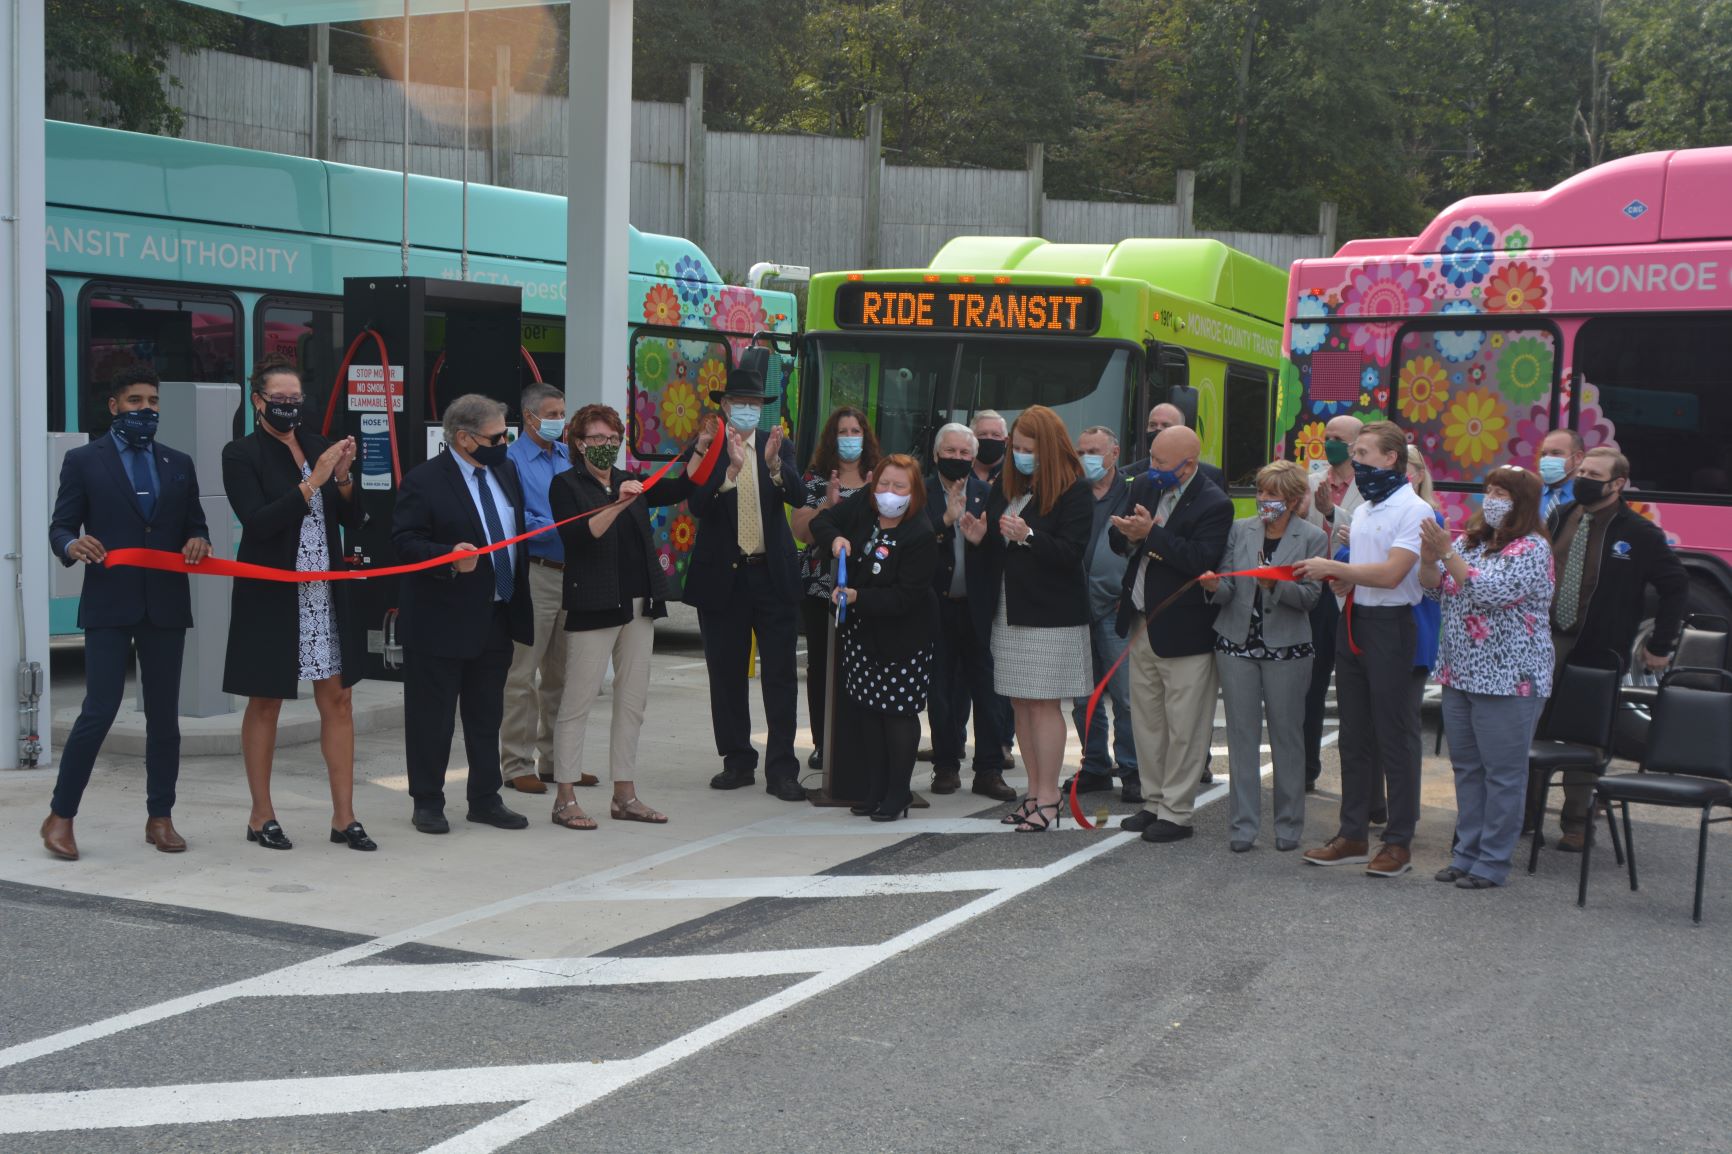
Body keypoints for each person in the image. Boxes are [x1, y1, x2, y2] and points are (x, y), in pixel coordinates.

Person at [42, 363, 212, 860]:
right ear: (114, 406)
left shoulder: (178, 461)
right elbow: (60, 526)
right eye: (135, 401)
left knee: (164, 718)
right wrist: (71, 545)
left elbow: (195, 524)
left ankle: (160, 818)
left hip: (165, 603)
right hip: (109, 602)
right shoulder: (83, 460)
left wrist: (198, 540)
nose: (146, 410)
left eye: (153, 402)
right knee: (99, 709)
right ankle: (60, 816)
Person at [220, 356, 373, 852]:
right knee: (266, 700)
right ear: (258, 400)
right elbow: (259, 521)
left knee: (339, 698)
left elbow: (352, 514)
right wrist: (313, 480)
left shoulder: (317, 443)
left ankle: (344, 816)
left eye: (296, 400)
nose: (289, 408)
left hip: (324, 589)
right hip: (273, 591)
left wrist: (344, 476)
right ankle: (261, 813)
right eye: (280, 400)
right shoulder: (240, 453)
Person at [392, 394, 534, 835]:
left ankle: (485, 798)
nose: (504, 442)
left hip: (496, 613)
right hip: (441, 618)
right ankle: (428, 800)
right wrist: (446, 557)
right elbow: (403, 541)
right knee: (432, 716)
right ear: (464, 438)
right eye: (496, 436)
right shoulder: (425, 480)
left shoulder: (505, 470)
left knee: (486, 713)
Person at [1295, 420, 1432, 877]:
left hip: (1392, 625)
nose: (1356, 460)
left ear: (1392, 458)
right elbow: (1362, 567)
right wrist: (1340, 573)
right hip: (1355, 619)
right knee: (1354, 734)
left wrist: (1335, 567)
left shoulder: (1413, 510)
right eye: (1355, 453)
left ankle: (1398, 842)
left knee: (1396, 737)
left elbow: (1393, 574)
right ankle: (1352, 834)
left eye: (1365, 453)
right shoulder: (1372, 507)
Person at [1541, 446, 1689, 850]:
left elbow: (1675, 587)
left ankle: (1576, 823)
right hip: (1548, 640)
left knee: (1585, 738)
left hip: (1599, 648)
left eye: (1593, 473)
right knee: (1533, 725)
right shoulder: (1560, 516)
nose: (1582, 478)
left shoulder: (1638, 532)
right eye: (1581, 469)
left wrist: (1661, 644)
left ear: (1618, 483)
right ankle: (1524, 814)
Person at [546, 404, 686, 829]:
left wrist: (702, 449)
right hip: (594, 604)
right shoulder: (565, 484)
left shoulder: (630, 480)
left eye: (612, 439)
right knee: (578, 702)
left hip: (639, 604)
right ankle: (565, 797)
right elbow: (581, 536)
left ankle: (625, 795)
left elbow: (682, 488)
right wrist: (619, 504)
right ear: (577, 442)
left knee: (632, 703)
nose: (605, 446)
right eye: (595, 439)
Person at [1420, 466, 1555, 888]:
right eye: (1490, 490)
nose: (1491, 498)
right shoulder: (1471, 542)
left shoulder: (1532, 548)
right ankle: (1466, 853)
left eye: (1502, 492)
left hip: (1510, 678)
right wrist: (1429, 558)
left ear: (1523, 503)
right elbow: (1434, 589)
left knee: (1502, 773)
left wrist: (1446, 554)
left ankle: (1493, 861)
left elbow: (1489, 592)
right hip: (1460, 671)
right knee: (1467, 768)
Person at [960, 404, 1092, 831]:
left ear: (1049, 448)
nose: (1018, 454)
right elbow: (1001, 546)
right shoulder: (1010, 485)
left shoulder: (1073, 490)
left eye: (1026, 448)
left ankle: (1050, 797)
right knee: (1019, 701)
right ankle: (1033, 791)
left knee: (1042, 703)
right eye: (1015, 447)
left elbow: (1071, 553)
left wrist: (1030, 535)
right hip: (1009, 608)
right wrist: (982, 539)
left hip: (1050, 614)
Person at [684, 367, 809, 801]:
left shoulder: (780, 444)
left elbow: (797, 495)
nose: (748, 410)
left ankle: (782, 769)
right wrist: (728, 473)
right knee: (726, 674)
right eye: (740, 403)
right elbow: (696, 503)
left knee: (779, 677)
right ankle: (737, 760)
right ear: (724, 406)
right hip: (724, 577)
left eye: (755, 404)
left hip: (772, 577)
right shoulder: (708, 445)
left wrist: (774, 465)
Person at [1109, 425, 1233, 843]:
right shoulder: (1144, 484)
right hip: (1141, 619)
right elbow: (1119, 541)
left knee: (1185, 725)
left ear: (1189, 465)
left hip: (1185, 629)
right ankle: (1153, 800)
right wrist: (1126, 535)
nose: (1153, 467)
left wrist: (1151, 536)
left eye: (1162, 463)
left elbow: (1200, 559)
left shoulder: (1215, 503)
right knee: (1147, 721)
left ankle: (1177, 812)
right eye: (1152, 458)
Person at [1199, 461, 1327, 852]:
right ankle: (1243, 826)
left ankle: (1288, 825)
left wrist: (1274, 585)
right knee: (1241, 736)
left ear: (1290, 499)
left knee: (1287, 737)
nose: (1263, 501)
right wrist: (1212, 586)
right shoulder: (1240, 530)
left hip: (1287, 648)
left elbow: (1309, 598)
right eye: (1260, 492)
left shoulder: (1312, 537)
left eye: (1272, 494)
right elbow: (1227, 586)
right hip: (1235, 644)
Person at [811, 454, 939, 821]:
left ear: (914, 492)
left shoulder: (920, 534)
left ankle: (897, 794)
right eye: (883, 484)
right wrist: (836, 539)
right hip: (862, 634)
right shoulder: (864, 509)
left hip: (902, 640)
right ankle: (875, 789)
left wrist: (858, 597)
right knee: (868, 710)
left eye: (899, 486)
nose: (889, 492)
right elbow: (823, 521)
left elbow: (906, 596)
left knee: (897, 714)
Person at [924, 423, 1015, 800]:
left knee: (988, 693)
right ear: (936, 454)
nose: (958, 459)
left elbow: (1003, 549)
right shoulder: (920, 491)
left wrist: (984, 540)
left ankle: (989, 770)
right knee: (940, 691)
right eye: (951, 451)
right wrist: (943, 523)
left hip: (979, 609)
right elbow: (910, 541)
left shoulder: (990, 494)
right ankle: (945, 765)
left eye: (965, 453)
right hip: (936, 607)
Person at [791, 406, 878, 771]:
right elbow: (801, 530)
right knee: (822, 666)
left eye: (855, 430)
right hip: (821, 586)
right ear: (832, 437)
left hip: (868, 588)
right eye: (842, 431)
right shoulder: (813, 480)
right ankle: (823, 741)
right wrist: (828, 503)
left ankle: (860, 738)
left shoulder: (881, 479)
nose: (849, 438)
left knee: (863, 664)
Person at [500, 383, 577, 796]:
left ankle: (555, 763)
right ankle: (516, 764)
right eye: (551, 413)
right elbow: (515, 519)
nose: (558, 420)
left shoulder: (567, 456)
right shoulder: (511, 461)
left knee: (563, 676)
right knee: (522, 674)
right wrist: (555, 525)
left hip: (573, 573)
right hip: (536, 573)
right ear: (529, 417)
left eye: (562, 412)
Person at [1066, 425, 1141, 803]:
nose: (1086, 459)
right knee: (1084, 699)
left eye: (1094, 451)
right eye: (1081, 451)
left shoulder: (1131, 493)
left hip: (1115, 609)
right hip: (1076, 609)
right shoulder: (1071, 492)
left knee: (1126, 697)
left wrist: (1127, 594)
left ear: (1114, 454)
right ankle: (1095, 766)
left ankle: (1132, 770)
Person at [1299, 414, 1364, 791]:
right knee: (1311, 685)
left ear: (1356, 445)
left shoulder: (1369, 486)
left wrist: (1330, 513)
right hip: (1316, 594)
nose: (1329, 444)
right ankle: (1306, 769)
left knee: (1355, 691)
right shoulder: (1311, 483)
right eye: (1327, 437)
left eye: (1338, 438)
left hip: (1353, 593)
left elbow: (1362, 531)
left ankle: (1359, 783)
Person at [969, 408, 1017, 770]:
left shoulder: (1014, 480)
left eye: (995, 435)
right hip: (964, 593)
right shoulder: (960, 476)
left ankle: (1002, 742)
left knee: (1001, 676)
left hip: (1003, 590)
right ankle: (952, 744)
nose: (989, 441)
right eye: (981, 434)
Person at [1145, 404, 1226, 491]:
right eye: (1152, 425)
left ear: (1182, 429)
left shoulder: (1211, 475)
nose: (1158, 430)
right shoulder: (1131, 474)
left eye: (1165, 425)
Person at [1537, 428, 1584, 521]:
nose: (1547, 459)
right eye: (1544, 454)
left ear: (1578, 457)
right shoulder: (1532, 495)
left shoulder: (1585, 498)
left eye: (1556, 453)